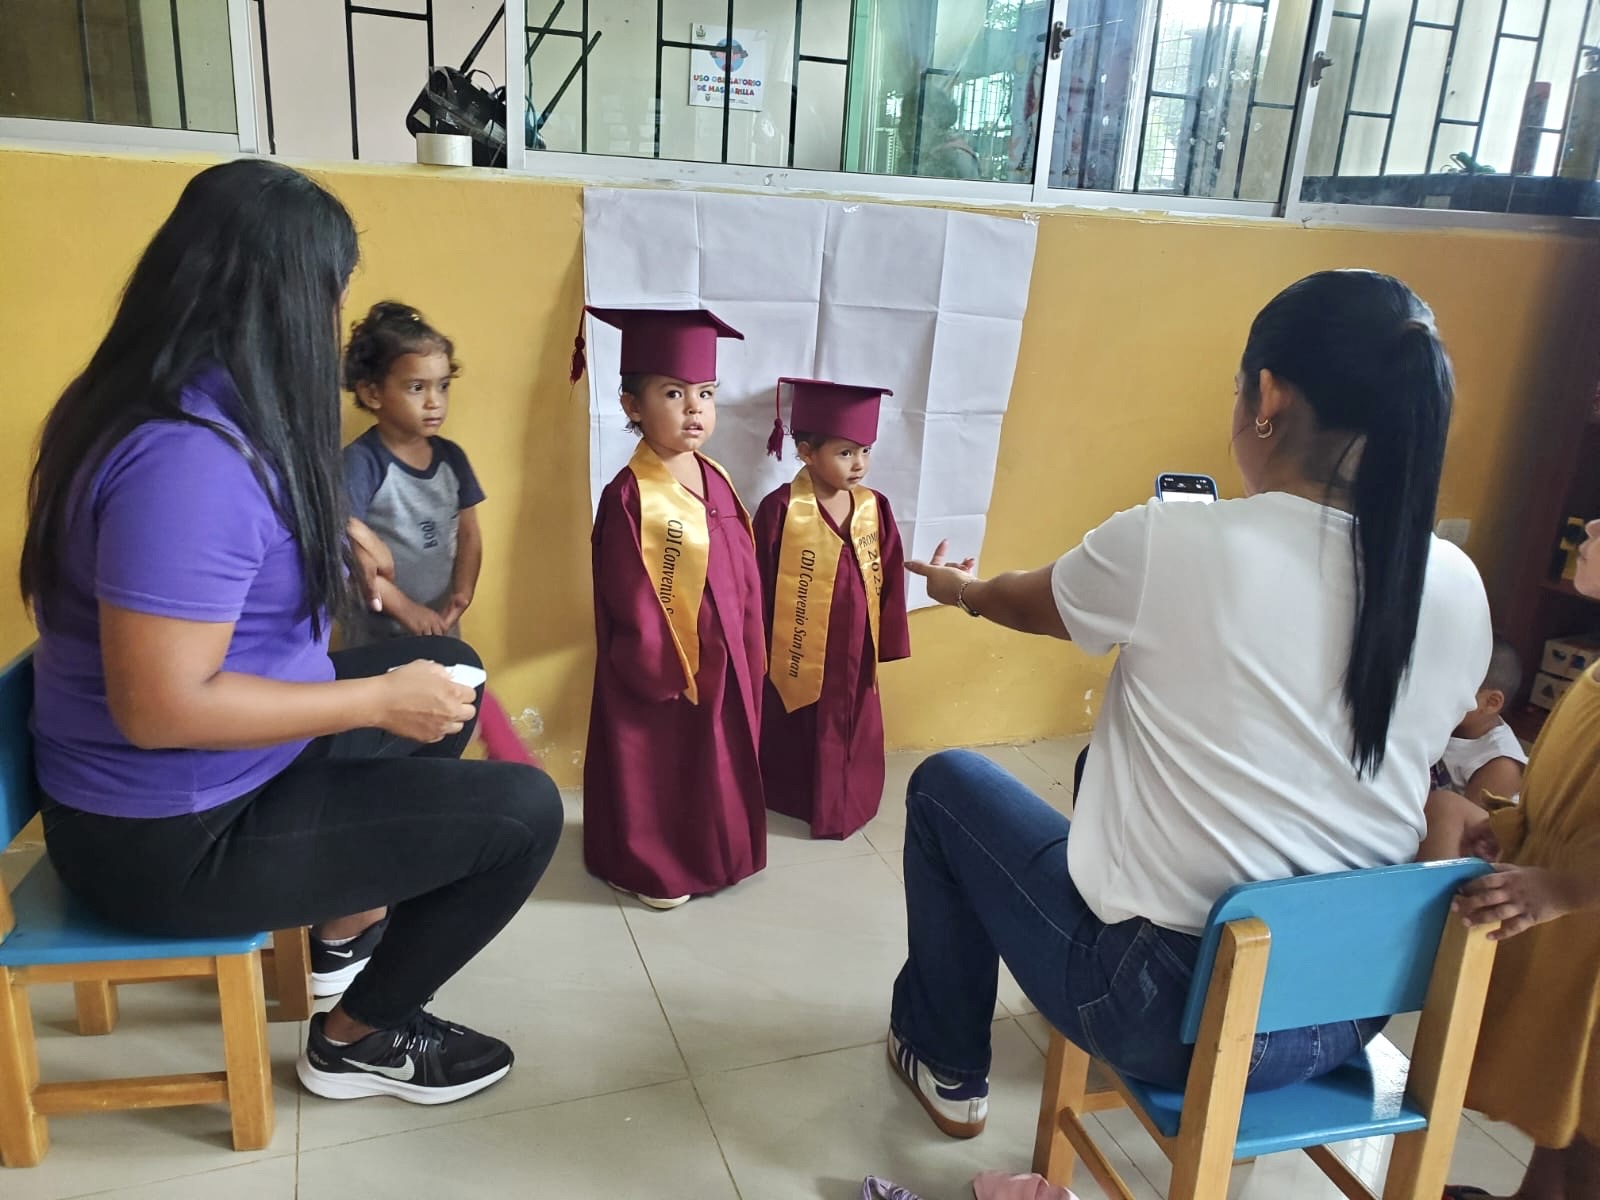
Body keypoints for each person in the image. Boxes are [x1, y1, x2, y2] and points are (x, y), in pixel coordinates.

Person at [881, 269, 1491, 1139]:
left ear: (1268, 397)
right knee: (1101, 766)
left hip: (1163, 1015)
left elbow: (1025, 602)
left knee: (946, 787)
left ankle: (945, 1063)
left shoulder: (1178, 541)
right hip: (1346, 1011)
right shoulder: (1457, 581)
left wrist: (960, 590)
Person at [20, 159, 563, 1106]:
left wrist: (327, 537)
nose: (336, 317)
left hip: (209, 782)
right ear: (285, 300)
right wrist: (375, 699)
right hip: (171, 838)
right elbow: (160, 708)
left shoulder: (184, 404)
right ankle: (360, 1038)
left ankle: (342, 931)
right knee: (522, 816)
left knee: (448, 665)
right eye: (333, 292)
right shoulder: (184, 462)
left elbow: (226, 553)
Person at [1427, 520, 1600, 1200]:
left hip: (1585, 916)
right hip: (1571, 932)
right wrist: (1513, 830)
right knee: (1561, 1102)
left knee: (1592, 1123)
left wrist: (1565, 888)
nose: (1589, 526)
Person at [574, 307, 767, 910]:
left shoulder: (716, 477)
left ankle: (716, 853)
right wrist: (655, 663)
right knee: (660, 761)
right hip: (662, 664)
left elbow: (743, 569)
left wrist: (748, 641)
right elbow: (627, 591)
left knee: (714, 758)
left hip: (723, 658)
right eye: (674, 393)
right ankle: (645, 865)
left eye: (705, 393)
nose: (694, 409)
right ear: (632, 405)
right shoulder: (629, 495)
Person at [754, 378, 911, 839]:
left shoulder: (874, 507)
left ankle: (851, 798)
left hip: (857, 646)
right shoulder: (781, 509)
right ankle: (796, 798)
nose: (859, 463)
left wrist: (889, 638)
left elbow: (889, 572)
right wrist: (756, 645)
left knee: (854, 718)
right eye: (845, 452)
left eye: (865, 450)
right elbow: (757, 581)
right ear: (806, 452)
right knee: (798, 720)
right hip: (799, 646)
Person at [342, 301, 484, 645]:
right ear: (372, 393)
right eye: (417, 388)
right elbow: (345, 545)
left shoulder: (452, 459)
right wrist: (405, 609)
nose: (434, 402)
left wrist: (463, 591)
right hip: (376, 634)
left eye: (443, 386)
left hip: (438, 624)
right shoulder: (362, 462)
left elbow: (469, 534)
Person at [1432, 637, 1527, 809]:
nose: (1436, 694)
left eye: (1450, 689)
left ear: (1491, 702)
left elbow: (1466, 822)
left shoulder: (1500, 764)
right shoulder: (1452, 723)